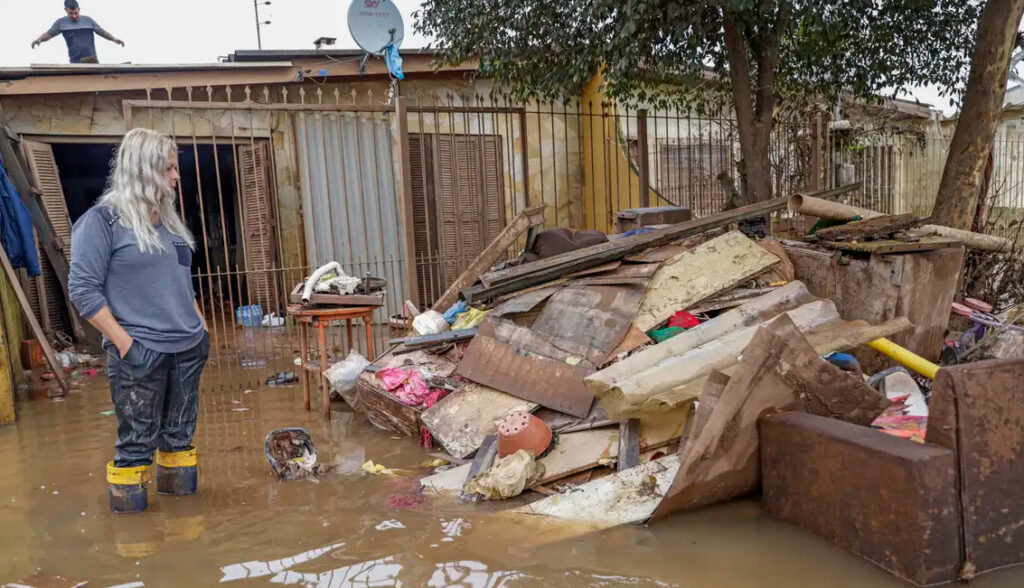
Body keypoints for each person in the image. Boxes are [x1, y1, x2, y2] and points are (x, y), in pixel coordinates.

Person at [69, 128, 209, 513]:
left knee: (179, 439)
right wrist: (126, 344)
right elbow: (83, 290)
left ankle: (184, 535)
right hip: (140, 353)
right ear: (142, 169)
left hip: (187, 348)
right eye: (168, 169)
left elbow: (182, 282)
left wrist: (201, 329)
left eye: (175, 168)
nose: (176, 177)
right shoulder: (103, 222)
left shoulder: (170, 225)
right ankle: (136, 549)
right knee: (135, 447)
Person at [31, 0, 124, 64]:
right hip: (75, 59)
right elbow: (49, 34)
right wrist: (39, 39)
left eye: (76, 13)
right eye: (71, 13)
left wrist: (114, 39)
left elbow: (102, 32)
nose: (74, 16)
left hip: (90, 58)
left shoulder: (88, 20)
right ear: (66, 10)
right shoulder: (61, 23)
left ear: (79, 9)